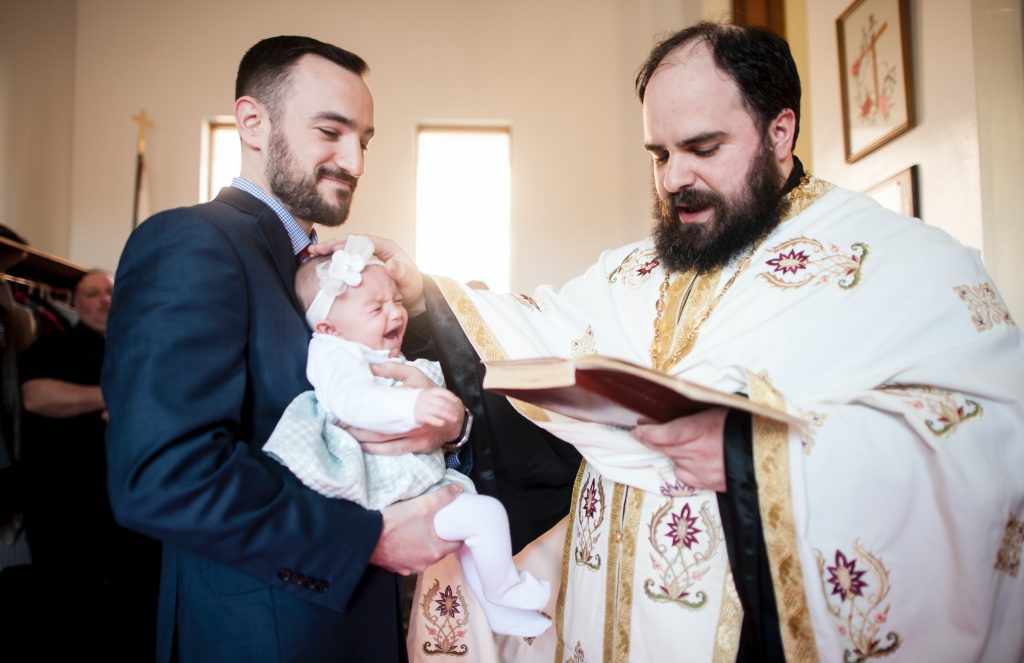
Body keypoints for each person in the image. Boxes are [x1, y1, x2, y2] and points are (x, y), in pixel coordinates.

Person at [392, 21, 1024, 663]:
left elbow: (989, 441)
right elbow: (531, 335)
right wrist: (420, 296)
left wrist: (760, 458)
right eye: (660, 155)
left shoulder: (900, 266)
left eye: (702, 148)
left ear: (780, 132)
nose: (673, 178)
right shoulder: (632, 269)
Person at [102, 36, 467, 662]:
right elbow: (163, 475)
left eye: (365, 140)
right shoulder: (192, 242)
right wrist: (367, 540)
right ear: (252, 122)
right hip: (258, 638)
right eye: (330, 131)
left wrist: (442, 403)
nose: (354, 160)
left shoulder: (335, 276)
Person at [263, 236, 551, 637]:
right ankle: (504, 590)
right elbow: (352, 402)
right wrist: (413, 406)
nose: (396, 312)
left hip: (414, 480)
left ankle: (497, 604)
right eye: (376, 308)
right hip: (379, 486)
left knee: (480, 522)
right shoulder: (334, 353)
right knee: (483, 517)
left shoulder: (373, 350)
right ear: (330, 328)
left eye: (397, 301)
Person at [19, 269, 160, 658]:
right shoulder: (52, 346)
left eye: (110, 292)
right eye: (92, 293)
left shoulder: (143, 347)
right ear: (75, 302)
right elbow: (37, 397)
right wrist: (116, 397)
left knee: (133, 616)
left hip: (134, 504)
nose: (103, 300)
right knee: (70, 616)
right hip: (64, 506)